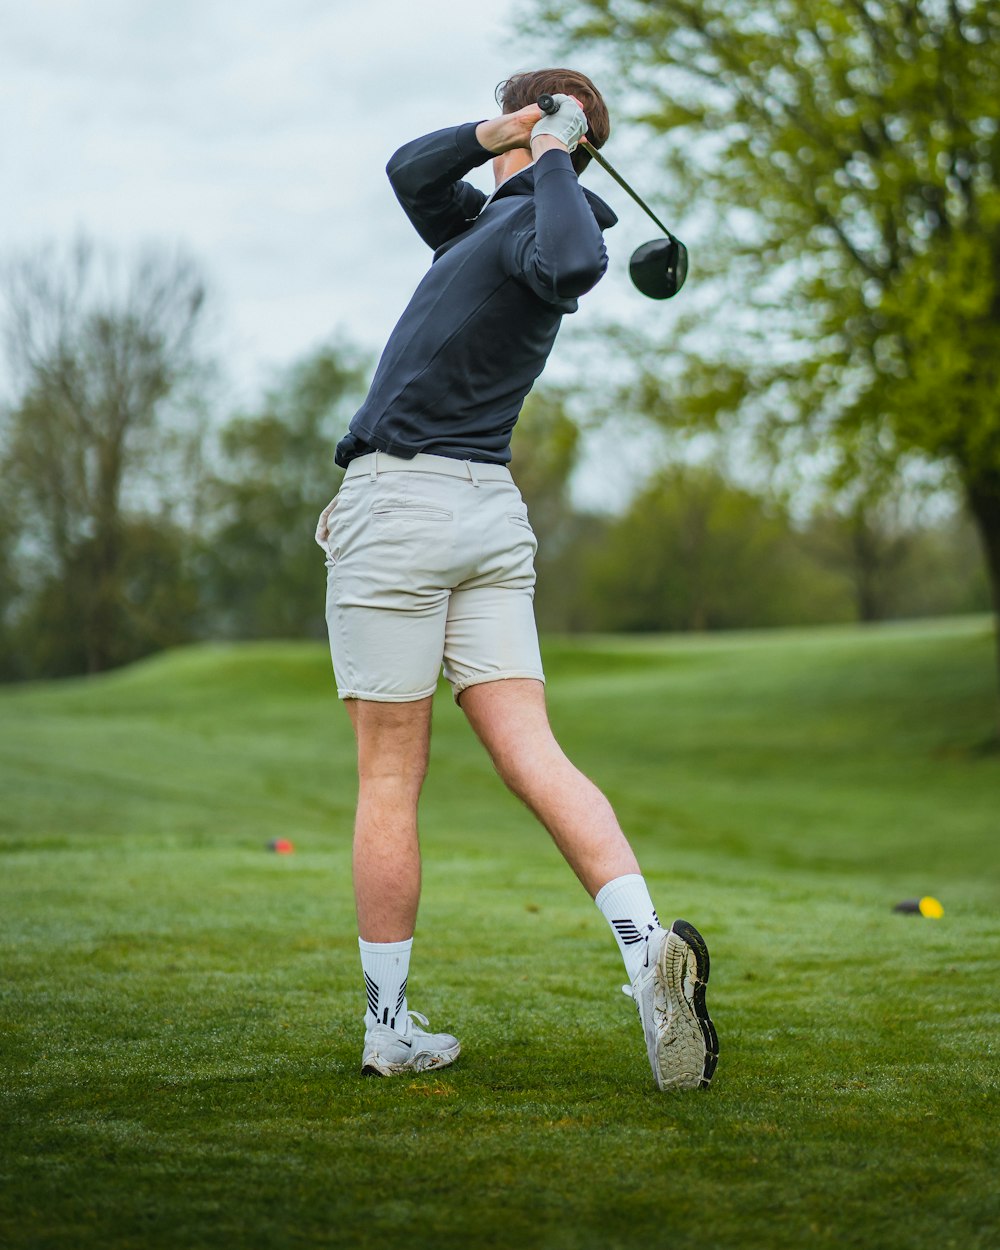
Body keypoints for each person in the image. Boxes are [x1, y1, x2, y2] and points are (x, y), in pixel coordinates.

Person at [315, 68, 718, 1090]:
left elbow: (581, 257)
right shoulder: (481, 229)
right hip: (481, 513)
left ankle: (389, 1025)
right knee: (529, 750)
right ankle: (643, 961)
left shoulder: (551, 223)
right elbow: (408, 169)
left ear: (560, 138)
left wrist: (550, 150)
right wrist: (513, 129)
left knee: (390, 775)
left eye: (528, 115)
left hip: (405, 506)